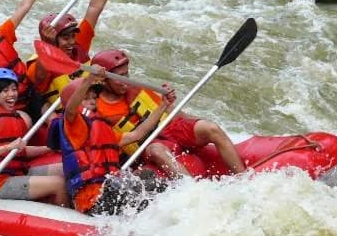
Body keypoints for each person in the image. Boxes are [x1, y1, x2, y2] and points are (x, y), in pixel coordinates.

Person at [91, 48, 247, 176]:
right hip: (146, 146)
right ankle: (194, 192)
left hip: (169, 129)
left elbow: (172, 111)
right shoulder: (98, 110)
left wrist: (196, 121)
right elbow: (117, 144)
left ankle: (243, 178)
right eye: (119, 77)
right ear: (103, 80)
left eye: (126, 74)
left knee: (210, 127)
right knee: (157, 150)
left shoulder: (136, 87)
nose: (126, 80)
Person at [49, 68, 172, 215]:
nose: (92, 101)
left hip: (109, 190)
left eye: (94, 97)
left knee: (148, 176)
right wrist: (89, 80)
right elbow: (70, 109)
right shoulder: (73, 124)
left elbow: (137, 134)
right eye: (86, 98)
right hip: (91, 200)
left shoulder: (102, 129)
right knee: (123, 187)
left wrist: (163, 106)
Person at [0, 68, 68, 206]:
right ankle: (63, 220)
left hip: (18, 173)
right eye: (5, 91)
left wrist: (50, 148)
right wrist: (8, 147)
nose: (12, 94)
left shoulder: (16, 118)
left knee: (67, 167)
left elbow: (21, 151)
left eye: (14, 89)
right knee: (58, 183)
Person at [27, 0, 118, 109]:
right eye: (65, 38)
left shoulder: (78, 45)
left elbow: (94, 8)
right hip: (63, 117)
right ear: (51, 39)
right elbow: (40, 77)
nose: (71, 42)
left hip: (90, 106)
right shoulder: (38, 63)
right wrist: (48, 46)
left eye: (72, 36)